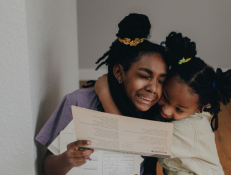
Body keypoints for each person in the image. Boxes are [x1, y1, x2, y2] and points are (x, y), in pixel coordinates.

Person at [35, 13, 169, 175]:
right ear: (119, 73)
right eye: (144, 76)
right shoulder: (78, 102)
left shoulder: (158, 115)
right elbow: (47, 169)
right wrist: (67, 159)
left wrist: (105, 95)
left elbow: (131, 143)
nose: (153, 88)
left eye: (161, 80)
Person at [94, 32, 231, 175]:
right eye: (166, 97)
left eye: (179, 109)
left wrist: (105, 95)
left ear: (200, 109)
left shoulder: (184, 129)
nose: (167, 111)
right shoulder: (184, 112)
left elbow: (129, 140)